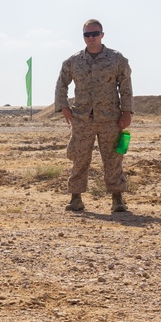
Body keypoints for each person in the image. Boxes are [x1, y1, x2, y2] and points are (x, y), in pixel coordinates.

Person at [54, 19, 134, 214]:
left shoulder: (117, 59)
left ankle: (117, 199)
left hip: (110, 119)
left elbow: (125, 87)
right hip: (82, 119)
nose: (91, 38)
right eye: (87, 35)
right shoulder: (73, 61)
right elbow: (61, 84)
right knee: (79, 158)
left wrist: (127, 112)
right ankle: (76, 198)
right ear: (83, 37)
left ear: (102, 35)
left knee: (113, 158)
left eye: (94, 34)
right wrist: (63, 107)